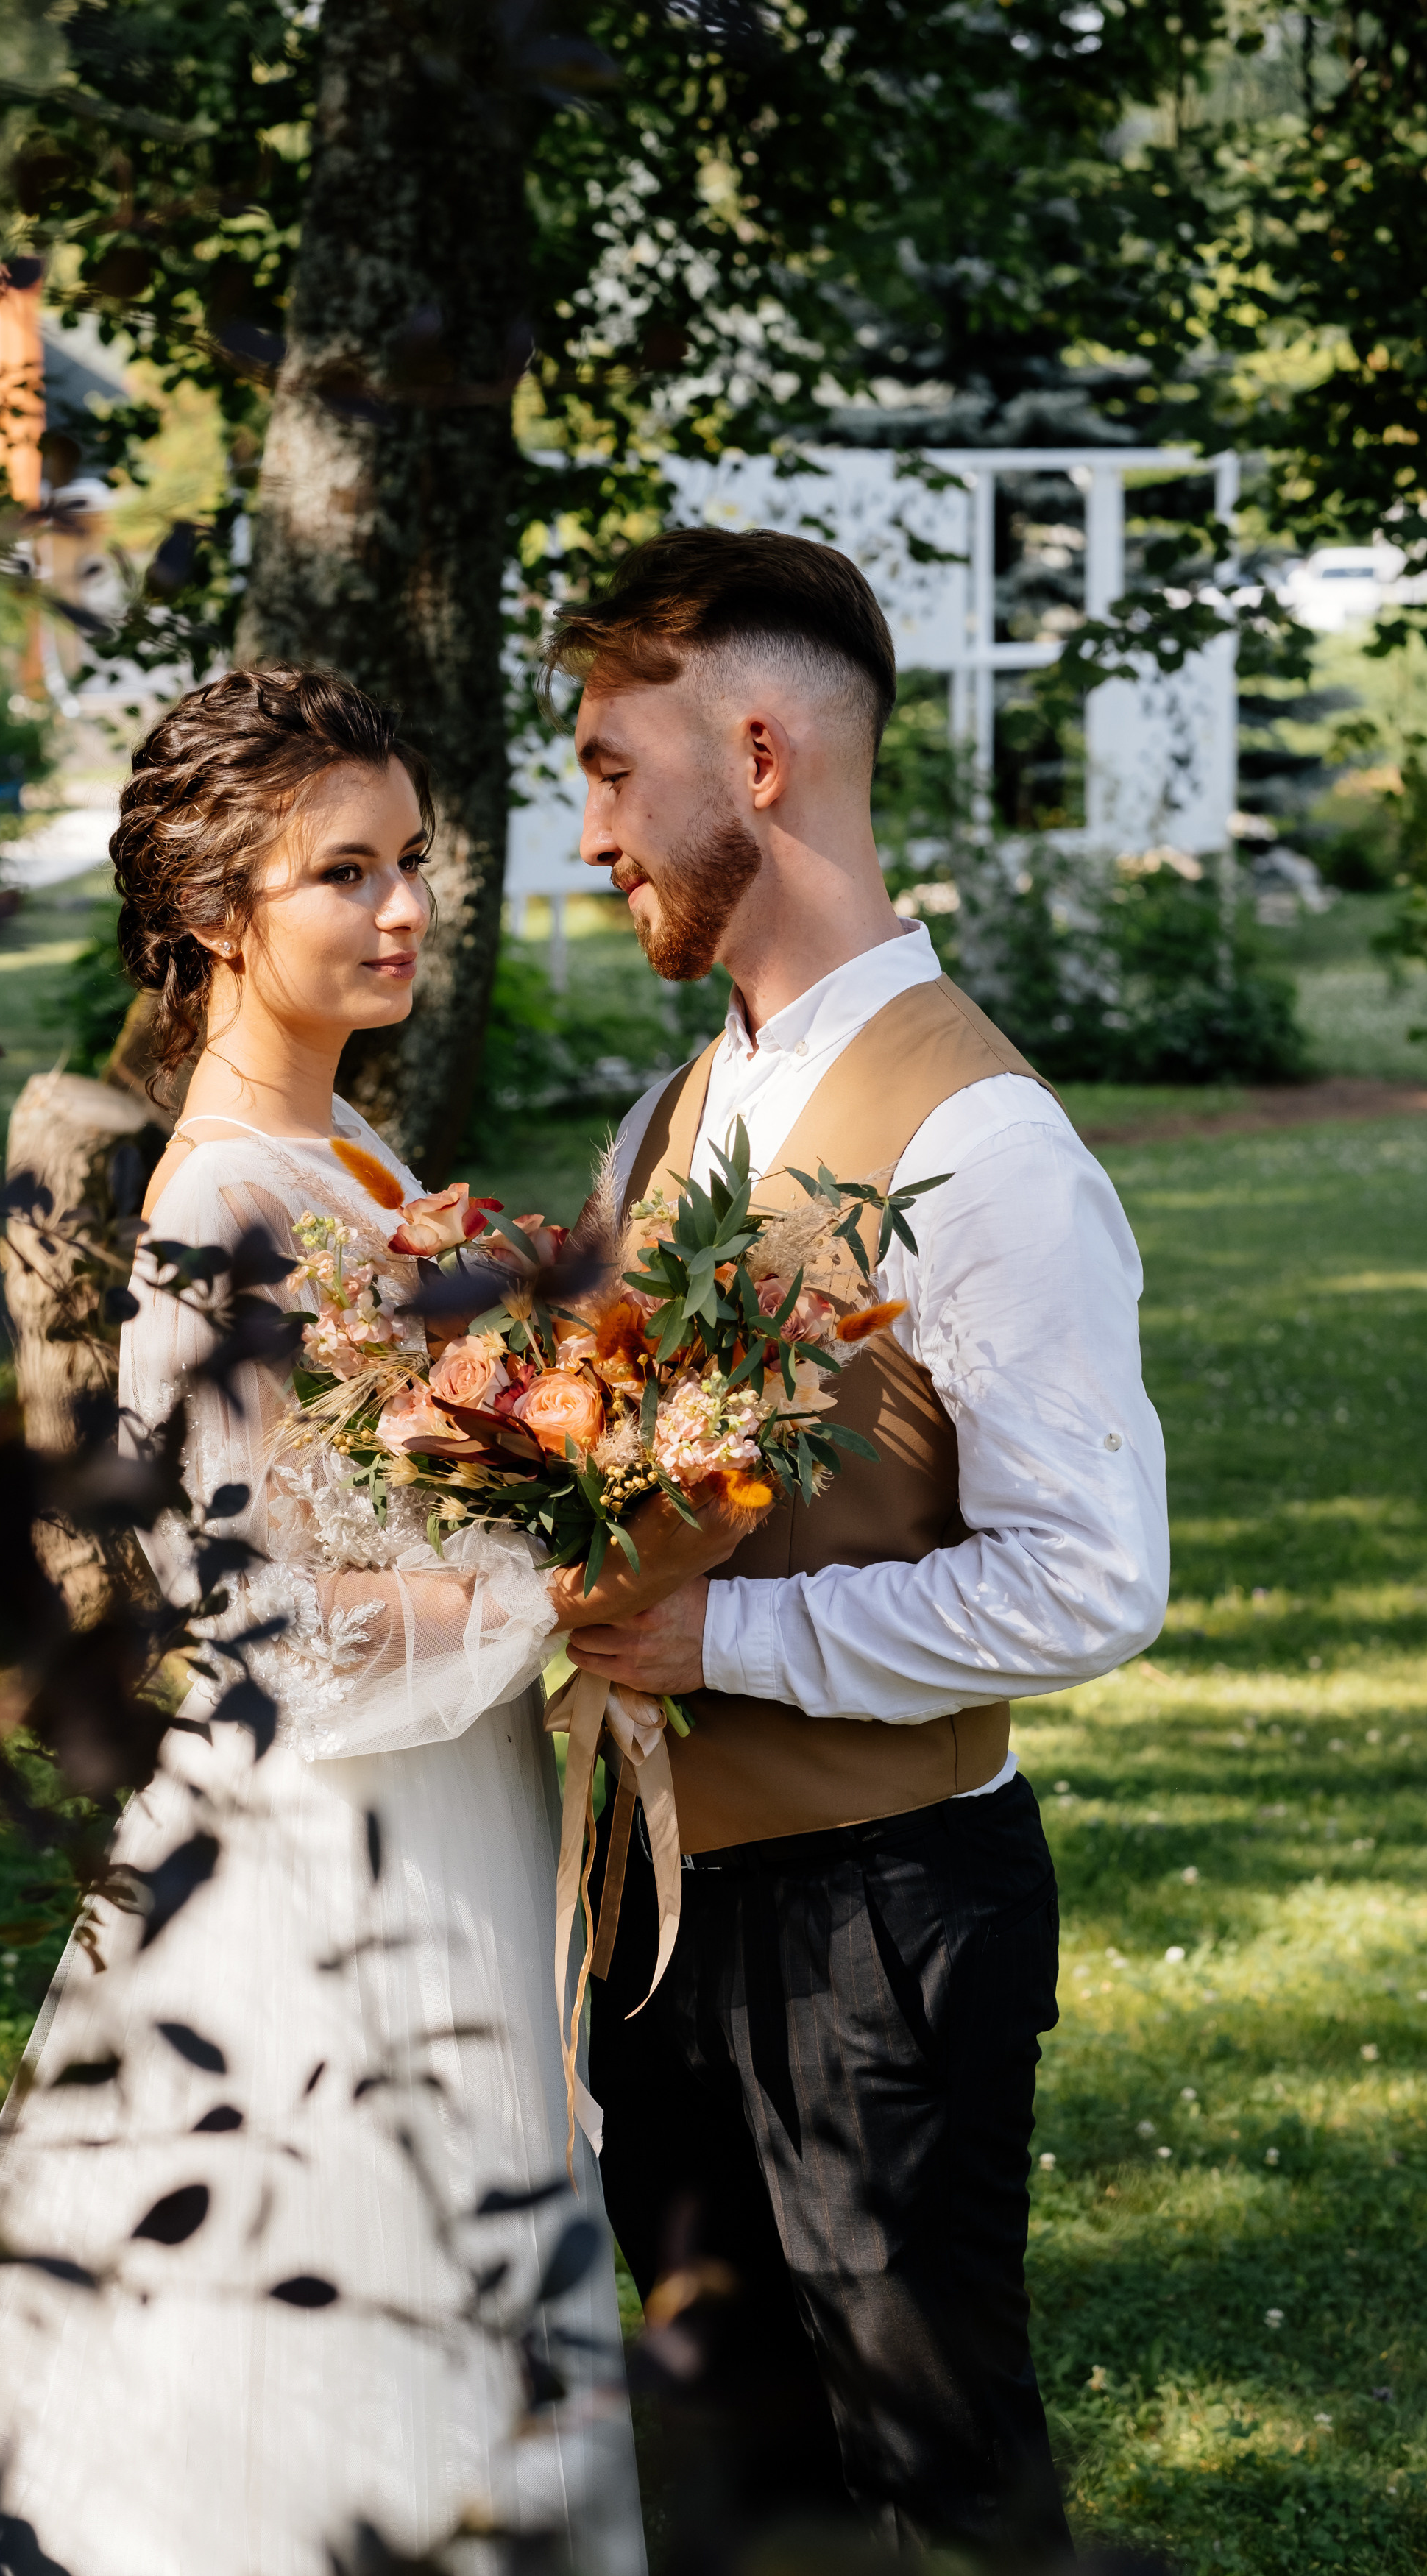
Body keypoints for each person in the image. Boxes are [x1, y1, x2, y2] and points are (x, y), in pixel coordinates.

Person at [0, 666, 734, 2576]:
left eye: (414, 857)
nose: (408, 904)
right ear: (210, 910)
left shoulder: (366, 1169)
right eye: (348, 870)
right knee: (328, 2353)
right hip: (338, 1866)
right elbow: (272, 1624)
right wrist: (559, 1573)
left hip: (456, 1810)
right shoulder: (233, 1204)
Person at [550, 528, 1170, 2561]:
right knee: (730, 2484)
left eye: (609, 769)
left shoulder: (985, 1144)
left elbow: (1091, 1578)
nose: (588, 835)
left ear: (757, 752)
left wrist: (726, 1637)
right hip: (657, 1914)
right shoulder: (665, 1123)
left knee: (943, 2475)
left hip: (883, 1930)